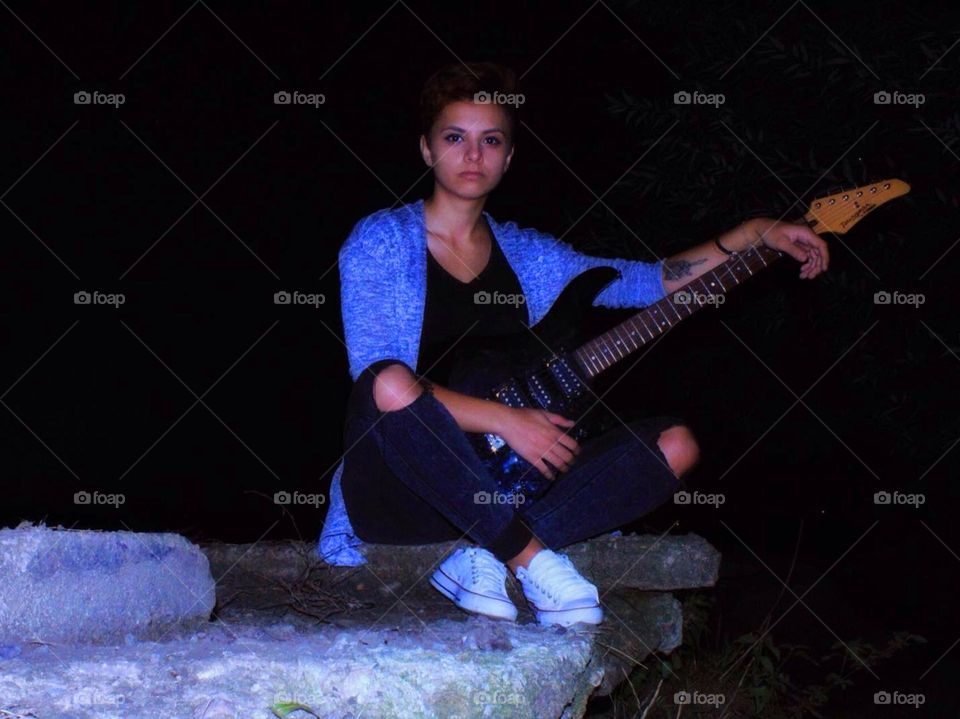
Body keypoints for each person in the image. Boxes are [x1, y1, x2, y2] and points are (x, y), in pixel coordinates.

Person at [324, 62, 829, 627]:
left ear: (509, 157)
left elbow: (650, 279)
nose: (472, 155)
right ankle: (525, 555)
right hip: (404, 486)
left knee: (677, 445)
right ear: (425, 149)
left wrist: (756, 232)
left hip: (510, 481)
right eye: (454, 138)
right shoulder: (382, 240)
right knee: (388, 380)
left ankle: (481, 549)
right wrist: (506, 420)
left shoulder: (533, 257)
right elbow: (377, 383)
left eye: (490, 140)